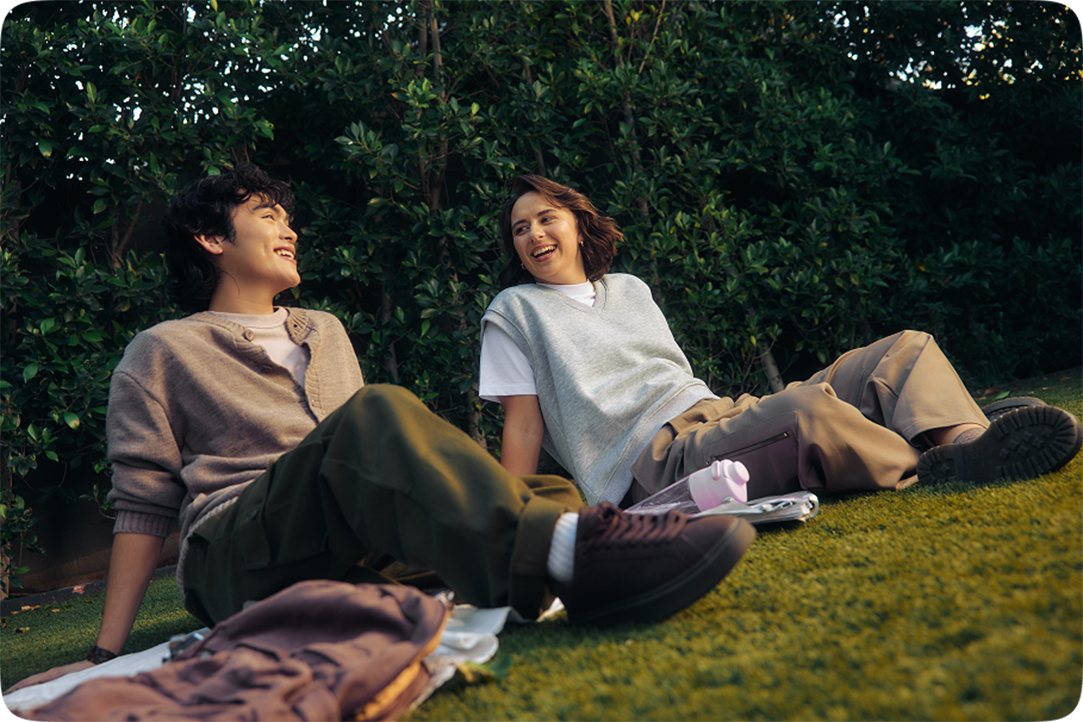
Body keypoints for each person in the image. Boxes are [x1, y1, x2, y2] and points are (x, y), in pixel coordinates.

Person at [7, 166, 756, 693]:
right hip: (237, 555)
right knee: (380, 415)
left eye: (286, 216)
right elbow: (143, 507)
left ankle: (551, 545)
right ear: (210, 238)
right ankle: (570, 558)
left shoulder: (323, 330)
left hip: (343, 544)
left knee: (540, 485)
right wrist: (105, 653)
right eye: (268, 215)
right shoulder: (162, 351)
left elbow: (369, 469)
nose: (289, 229)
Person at [479, 174, 1083, 508]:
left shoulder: (630, 289)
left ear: (580, 227)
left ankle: (970, 441)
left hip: (721, 417)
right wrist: (511, 521)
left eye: (546, 218)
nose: (533, 234)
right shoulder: (515, 312)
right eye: (519, 229)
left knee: (905, 348)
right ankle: (933, 458)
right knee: (806, 412)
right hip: (656, 465)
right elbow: (525, 426)